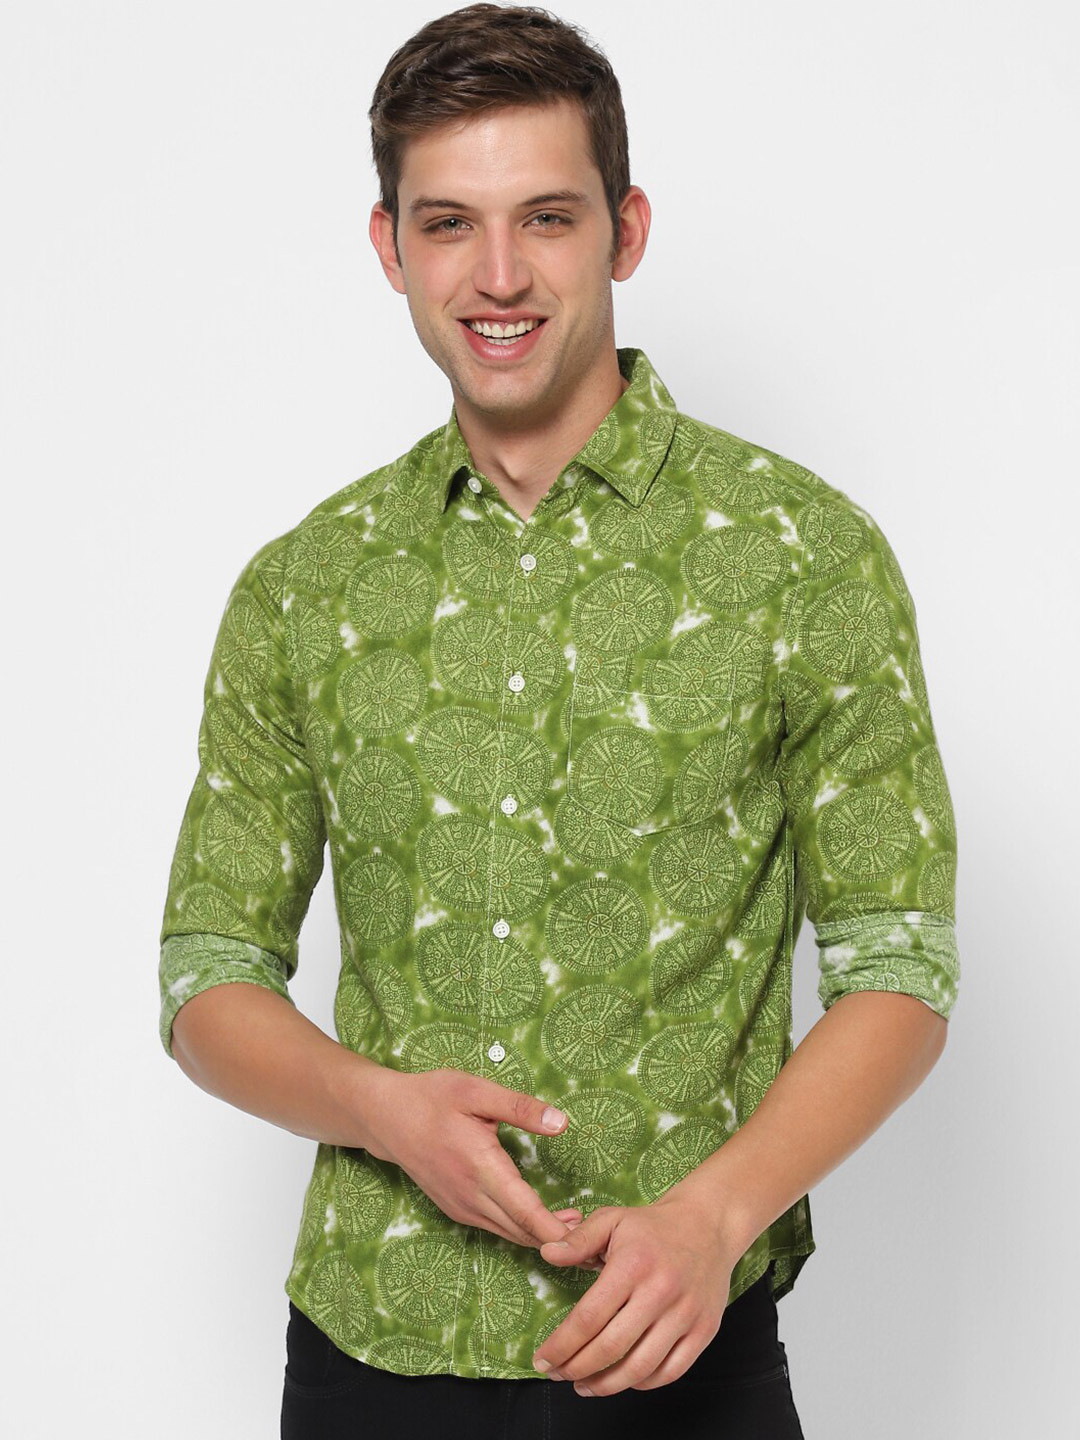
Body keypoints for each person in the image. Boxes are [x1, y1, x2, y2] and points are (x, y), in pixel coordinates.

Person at [157, 5, 961, 1437]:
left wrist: (716, 1217)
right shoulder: (305, 587)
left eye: (547, 216)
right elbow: (206, 977)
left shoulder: (803, 556)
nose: (500, 275)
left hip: (681, 1351)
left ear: (624, 230)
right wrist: (379, 1107)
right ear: (390, 248)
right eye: (448, 225)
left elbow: (899, 966)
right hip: (368, 1344)